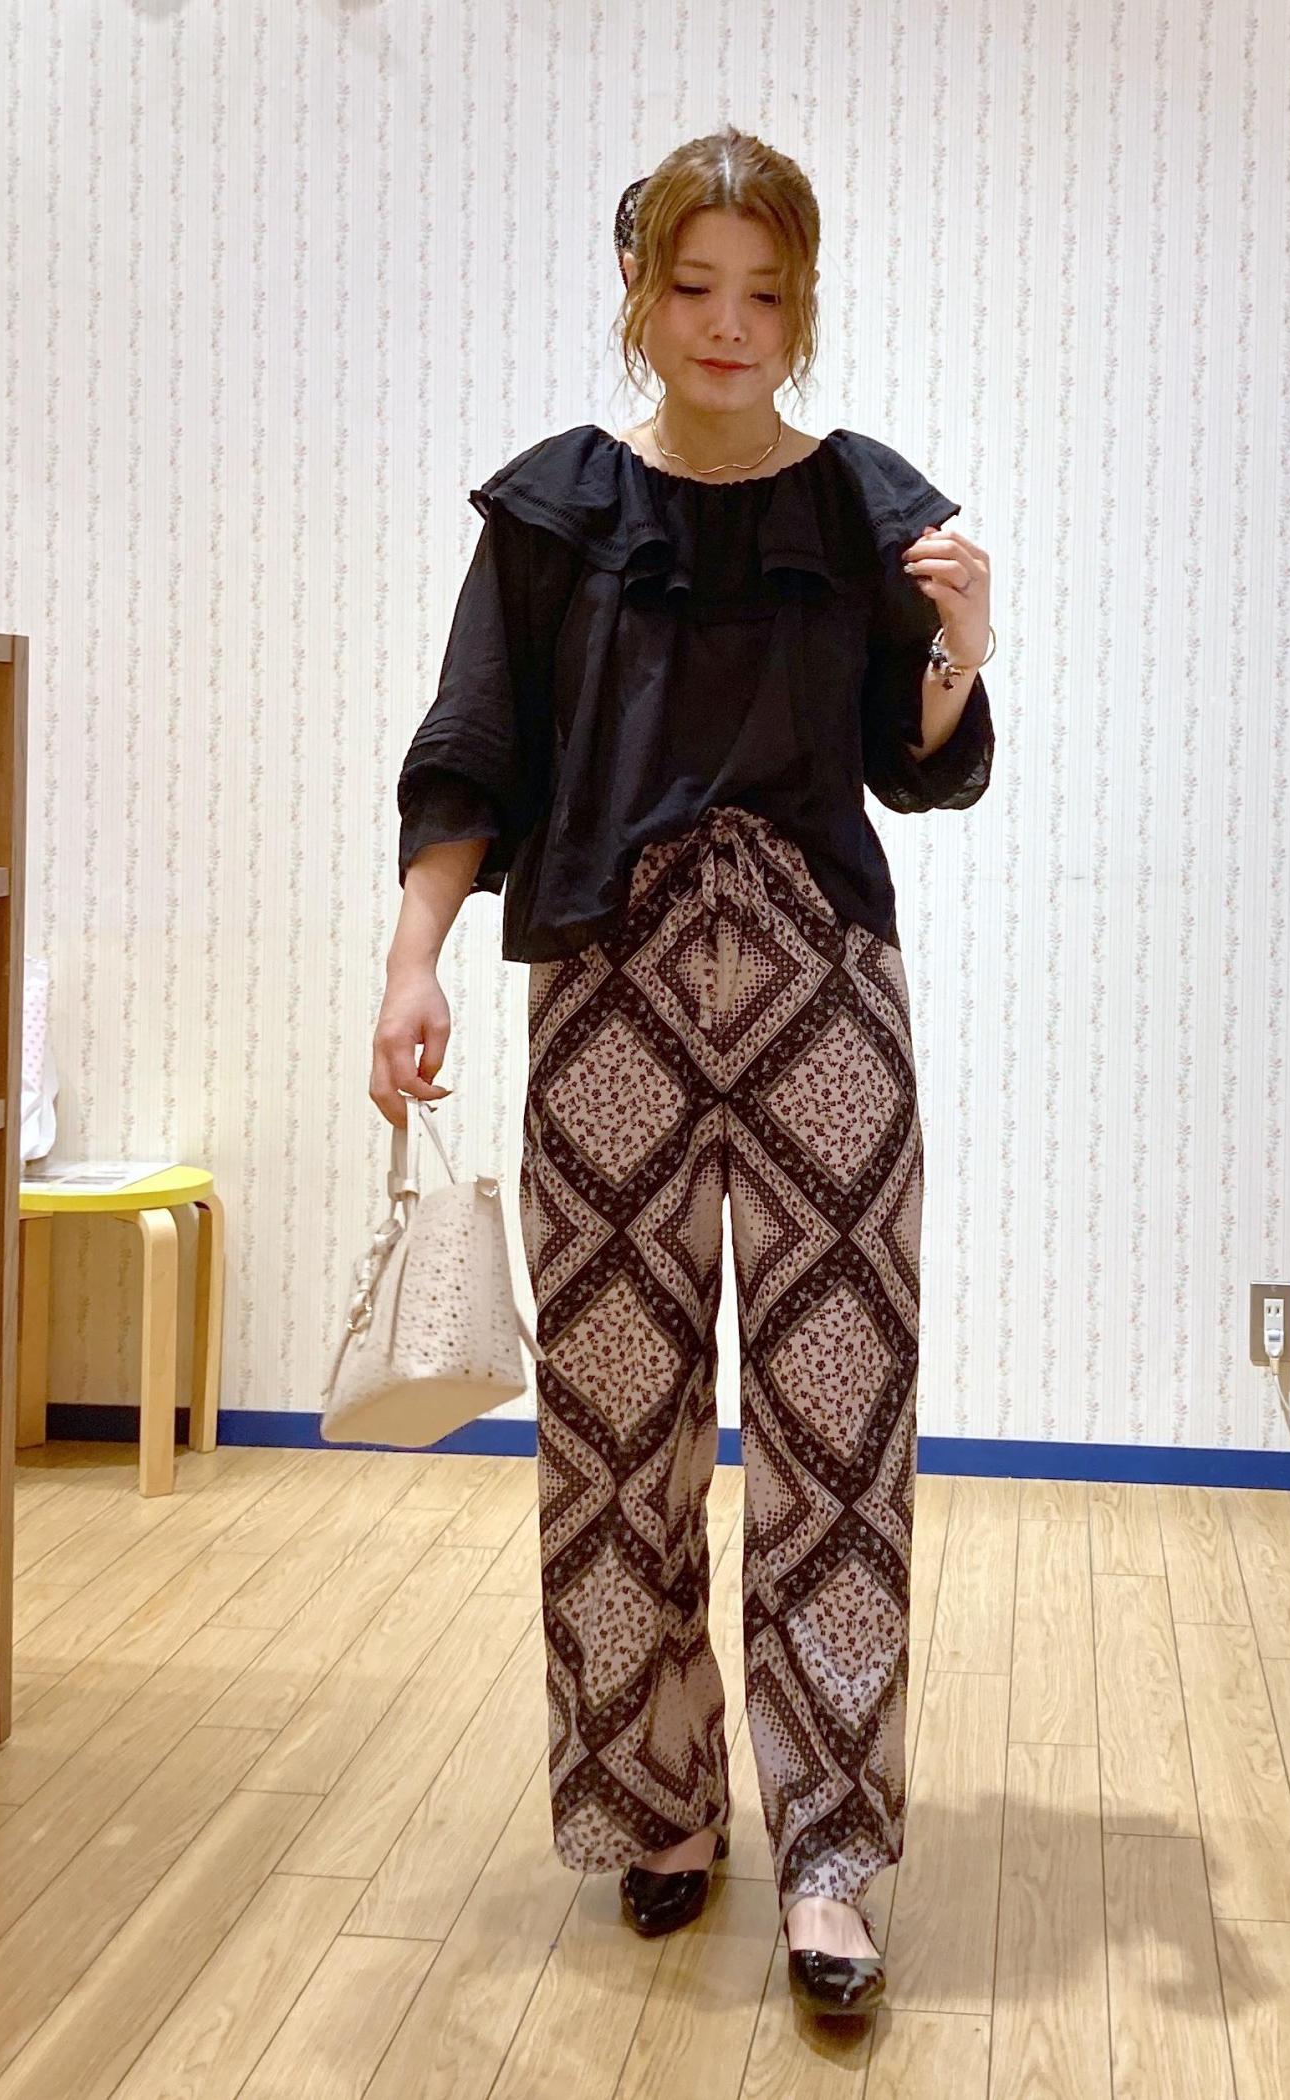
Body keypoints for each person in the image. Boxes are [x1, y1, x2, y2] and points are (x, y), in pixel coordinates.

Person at [370, 125, 994, 2020]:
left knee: (837, 1428)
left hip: (826, 1002)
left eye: (766, 292)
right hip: (608, 1002)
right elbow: (473, 748)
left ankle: (831, 1858)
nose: (731, 324)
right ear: (640, 294)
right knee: (617, 1433)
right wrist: (413, 958)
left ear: (804, 306)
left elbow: (917, 766)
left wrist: (960, 653)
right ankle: (659, 1805)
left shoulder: (867, 505)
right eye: (696, 285)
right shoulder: (555, 512)